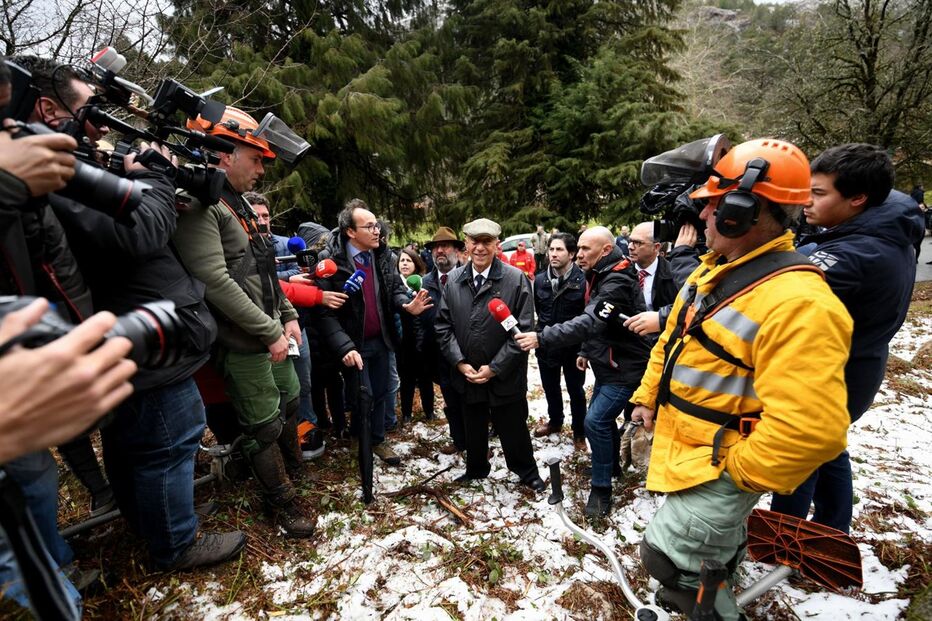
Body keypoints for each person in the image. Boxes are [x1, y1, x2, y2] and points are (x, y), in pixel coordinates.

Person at [13, 55, 245, 569]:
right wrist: (158, 179)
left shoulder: (59, 166)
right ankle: (175, 542)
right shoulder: (52, 173)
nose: (99, 121)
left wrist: (142, 180)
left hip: (128, 327)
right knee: (170, 443)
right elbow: (138, 233)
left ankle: (153, 520)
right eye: (88, 108)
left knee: (136, 442)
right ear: (49, 109)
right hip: (144, 330)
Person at [629, 138, 853, 620]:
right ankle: (714, 591)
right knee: (711, 557)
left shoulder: (798, 303)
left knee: (667, 558)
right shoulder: (712, 274)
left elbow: (813, 429)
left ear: (739, 213)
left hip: (720, 462)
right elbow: (672, 341)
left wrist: (740, 472)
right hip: (688, 447)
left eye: (710, 207)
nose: (701, 218)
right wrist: (647, 396)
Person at [173, 106, 315, 538]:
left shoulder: (239, 204)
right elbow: (213, 281)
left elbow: (265, 271)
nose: (260, 169)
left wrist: (287, 316)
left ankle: (292, 472)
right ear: (223, 154)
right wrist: (269, 329)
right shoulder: (202, 205)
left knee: (290, 401)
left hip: (270, 331)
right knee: (263, 423)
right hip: (241, 340)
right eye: (254, 159)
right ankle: (281, 502)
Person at [770, 143, 925, 533]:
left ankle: (785, 540)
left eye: (819, 194)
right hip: (856, 366)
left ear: (858, 198)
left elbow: (771, 294)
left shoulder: (858, 254)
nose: (805, 201)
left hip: (835, 374)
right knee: (827, 448)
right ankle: (830, 533)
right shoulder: (880, 227)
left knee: (800, 455)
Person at [514, 227, 650, 516]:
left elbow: (590, 320)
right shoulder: (602, 272)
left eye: (586, 249)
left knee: (595, 422)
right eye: (580, 248)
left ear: (604, 250)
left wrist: (542, 336)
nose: (579, 254)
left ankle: (602, 491)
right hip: (608, 364)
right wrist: (588, 351)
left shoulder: (616, 280)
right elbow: (602, 322)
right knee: (602, 420)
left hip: (625, 367)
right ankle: (610, 466)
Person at [315, 200, 432, 466]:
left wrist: (406, 304)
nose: (377, 230)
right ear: (351, 232)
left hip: (382, 338)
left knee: (382, 391)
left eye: (377, 224)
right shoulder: (330, 261)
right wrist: (344, 347)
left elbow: (394, 291)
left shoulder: (385, 256)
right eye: (369, 226)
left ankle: (377, 439)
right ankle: (359, 438)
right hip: (352, 342)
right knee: (360, 395)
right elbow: (325, 313)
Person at [435, 218, 545, 492]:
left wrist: (495, 368)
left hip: (504, 373)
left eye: (487, 242)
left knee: (513, 424)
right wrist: (460, 363)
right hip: (468, 372)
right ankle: (476, 468)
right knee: (473, 423)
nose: (480, 248)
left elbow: (523, 331)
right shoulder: (454, 282)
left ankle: (526, 470)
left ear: (497, 244)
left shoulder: (514, 279)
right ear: (466, 245)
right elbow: (443, 327)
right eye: (475, 242)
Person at [530, 232, 587, 450]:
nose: (553, 254)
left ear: (571, 254)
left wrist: (584, 350)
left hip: (572, 347)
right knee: (550, 387)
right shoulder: (540, 280)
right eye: (551, 249)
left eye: (559, 249)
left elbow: (586, 318)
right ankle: (555, 421)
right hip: (547, 345)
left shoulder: (581, 281)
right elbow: (539, 310)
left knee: (576, 391)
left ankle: (579, 432)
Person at [421, 226, 467, 455]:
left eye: (445, 246)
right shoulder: (423, 282)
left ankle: (478, 443)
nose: (439, 251)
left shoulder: (469, 276)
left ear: (457, 251)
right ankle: (459, 441)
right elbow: (421, 320)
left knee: (471, 399)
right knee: (450, 398)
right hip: (438, 354)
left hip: (467, 351)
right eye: (435, 247)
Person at [396, 248, 434, 423]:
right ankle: (406, 414)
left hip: (425, 339)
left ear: (416, 264)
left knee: (426, 377)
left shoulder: (425, 283)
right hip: (404, 340)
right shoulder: (395, 285)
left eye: (408, 260)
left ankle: (429, 411)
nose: (404, 263)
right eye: (402, 260)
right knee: (407, 379)